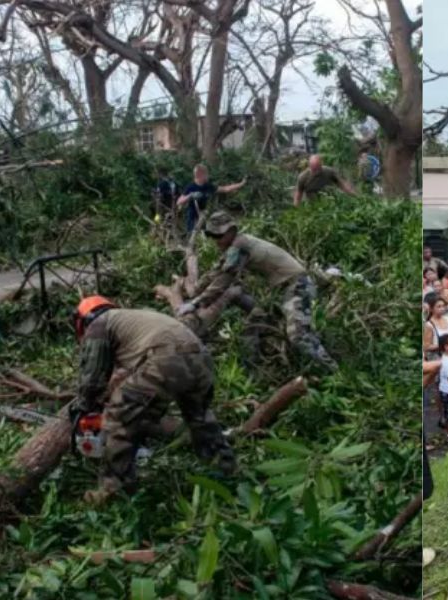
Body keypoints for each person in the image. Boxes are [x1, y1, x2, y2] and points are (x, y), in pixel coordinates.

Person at [68, 297, 233, 503]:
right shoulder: (132, 318)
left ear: (82, 319)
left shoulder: (99, 325)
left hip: (165, 360)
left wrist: (84, 405)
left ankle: (112, 491)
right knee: (200, 418)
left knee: (119, 419)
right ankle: (225, 469)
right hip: (201, 358)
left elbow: (92, 376)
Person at [180, 212, 335, 371]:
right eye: (211, 235)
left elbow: (224, 281)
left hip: (297, 286)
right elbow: (215, 272)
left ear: (232, 231)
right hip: (278, 291)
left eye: (218, 235)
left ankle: (332, 372)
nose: (215, 240)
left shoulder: (240, 246)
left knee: (299, 336)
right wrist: (194, 291)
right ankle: (255, 372)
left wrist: (196, 303)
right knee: (251, 328)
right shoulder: (234, 247)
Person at [176, 164, 247, 234]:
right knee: (192, 233)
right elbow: (179, 202)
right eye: (206, 174)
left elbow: (225, 189)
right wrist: (190, 196)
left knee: (205, 233)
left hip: (203, 214)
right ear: (200, 175)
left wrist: (241, 184)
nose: (208, 176)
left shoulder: (208, 186)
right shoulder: (191, 187)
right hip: (192, 215)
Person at [423, 296, 448, 361]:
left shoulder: (447, 319)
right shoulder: (429, 325)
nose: (442, 308)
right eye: (439, 306)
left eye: (443, 306)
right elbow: (426, 346)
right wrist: (441, 345)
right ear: (431, 309)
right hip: (438, 357)